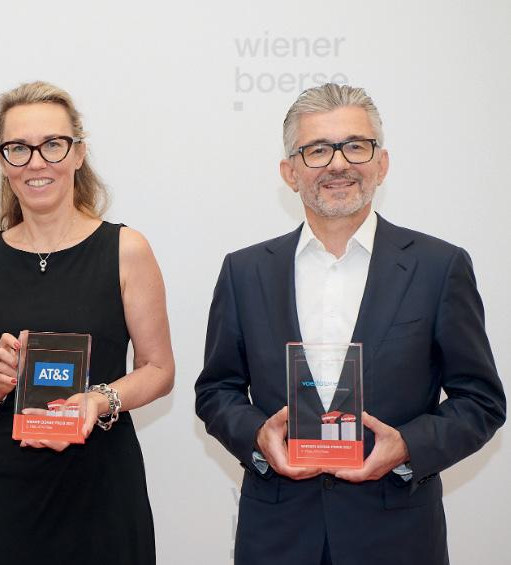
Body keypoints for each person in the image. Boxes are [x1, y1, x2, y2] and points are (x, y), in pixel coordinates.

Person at [195, 83, 505, 565]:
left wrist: (407, 446)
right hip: (276, 537)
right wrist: (258, 436)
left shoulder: (439, 267)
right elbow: (217, 390)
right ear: (290, 172)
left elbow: (481, 401)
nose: (338, 164)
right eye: (317, 150)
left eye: (356, 146)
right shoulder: (244, 271)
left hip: (397, 537)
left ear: (382, 163)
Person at [0, 81, 174, 565]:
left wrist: (98, 400)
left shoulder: (126, 250)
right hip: (8, 491)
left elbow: (158, 369)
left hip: (103, 483)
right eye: (18, 148)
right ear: (3, 160)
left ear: (78, 153)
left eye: (52, 144)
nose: (36, 162)